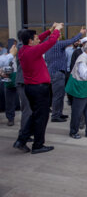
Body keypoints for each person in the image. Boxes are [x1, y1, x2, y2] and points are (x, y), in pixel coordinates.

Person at [13, 23, 64, 154]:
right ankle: (38, 145)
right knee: (41, 118)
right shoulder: (33, 51)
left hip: (31, 88)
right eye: (35, 38)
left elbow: (41, 38)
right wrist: (56, 31)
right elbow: (50, 42)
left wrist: (50, 30)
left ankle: (21, 140)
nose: (38, 39)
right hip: (39, 89)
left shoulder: (24, 49)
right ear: (30, 41)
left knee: (35, 115)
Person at [45, 26, 86, 123]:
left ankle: (59, 113)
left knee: (59, 94)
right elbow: (72, 40)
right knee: (58, 95)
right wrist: (81, 33)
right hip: (58, 72)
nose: (59, 36)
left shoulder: (48, 45)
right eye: (58, 35)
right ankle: (55, 115)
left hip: (53, 72)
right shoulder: (57, 44)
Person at [65, 41, 87, 139]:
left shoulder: (86, 58)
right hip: (80, 90)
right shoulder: (82, 60)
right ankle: (73, 131)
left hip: (86, 89)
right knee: (77, 112)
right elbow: (84, 75)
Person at [3, 39, 18, 126]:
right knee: (9, 101)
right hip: (9, 80)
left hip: (18, 79)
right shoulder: (6, 57)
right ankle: (10, 118)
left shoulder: (19, 56)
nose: (15, 47)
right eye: (13, 45)